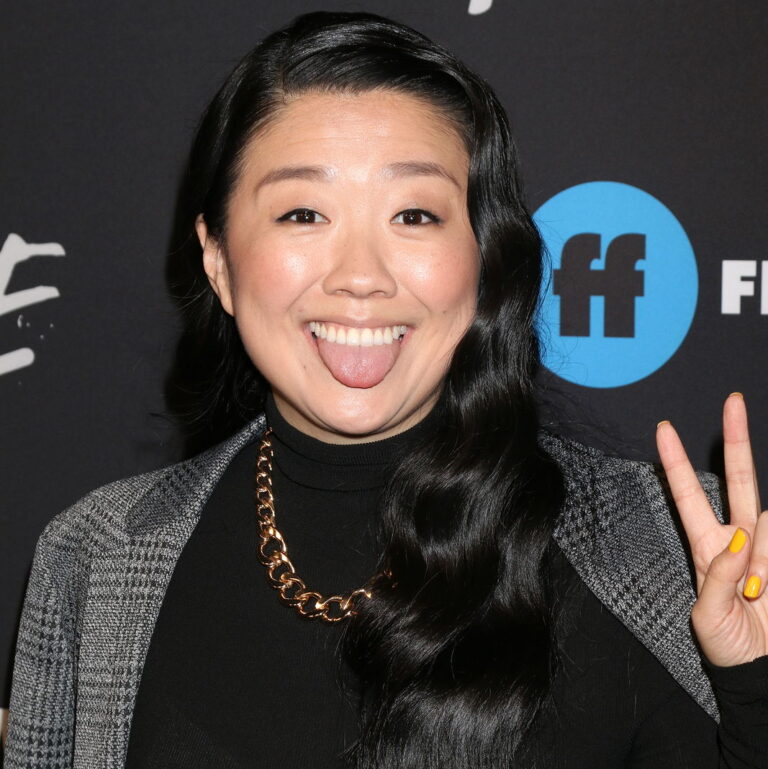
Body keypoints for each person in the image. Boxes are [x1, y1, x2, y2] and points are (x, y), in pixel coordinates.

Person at [4, 11, 767, 769]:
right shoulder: (93, 559)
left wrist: (757, 687)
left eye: (414, 214)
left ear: (484, 259)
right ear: (219, 262)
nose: (361, 275)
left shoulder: (659, 551)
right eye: (304, 213)